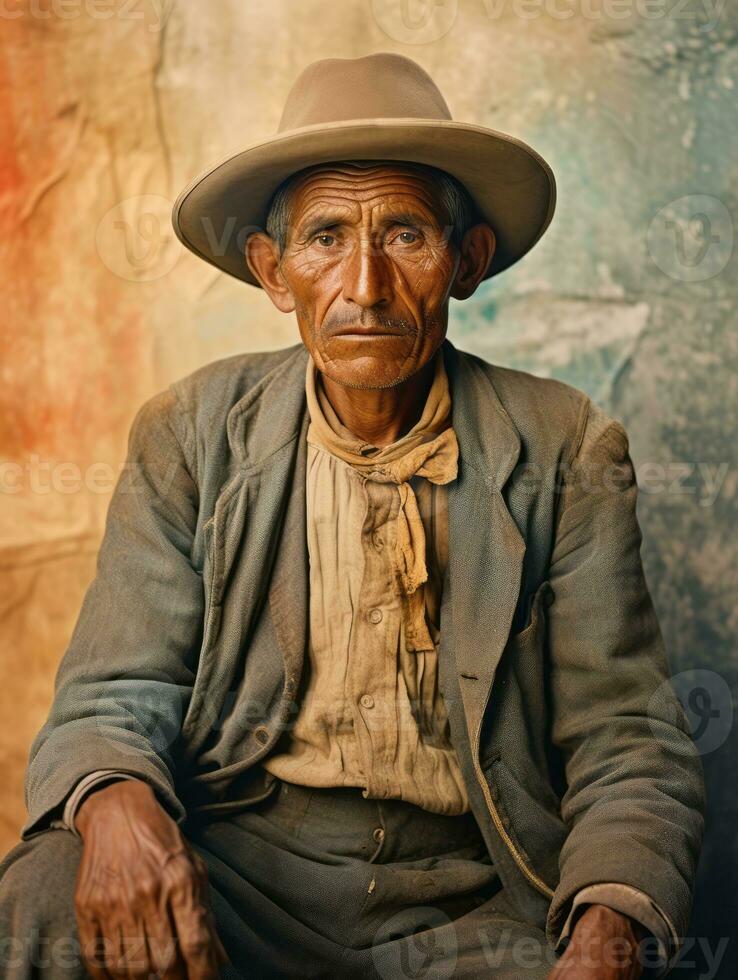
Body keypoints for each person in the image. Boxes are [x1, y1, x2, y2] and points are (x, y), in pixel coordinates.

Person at [0, 53, 705, 980]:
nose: (364, 286)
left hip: (473, 901)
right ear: (273, 272)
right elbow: (109, 696)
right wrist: (118, 802)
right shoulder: (189, 435)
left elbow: (627, 741)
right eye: (326, 236)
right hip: (241, 877)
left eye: (406, 234)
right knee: (49, 891)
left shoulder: (566, 447)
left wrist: (610, 924)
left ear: (468, 262)